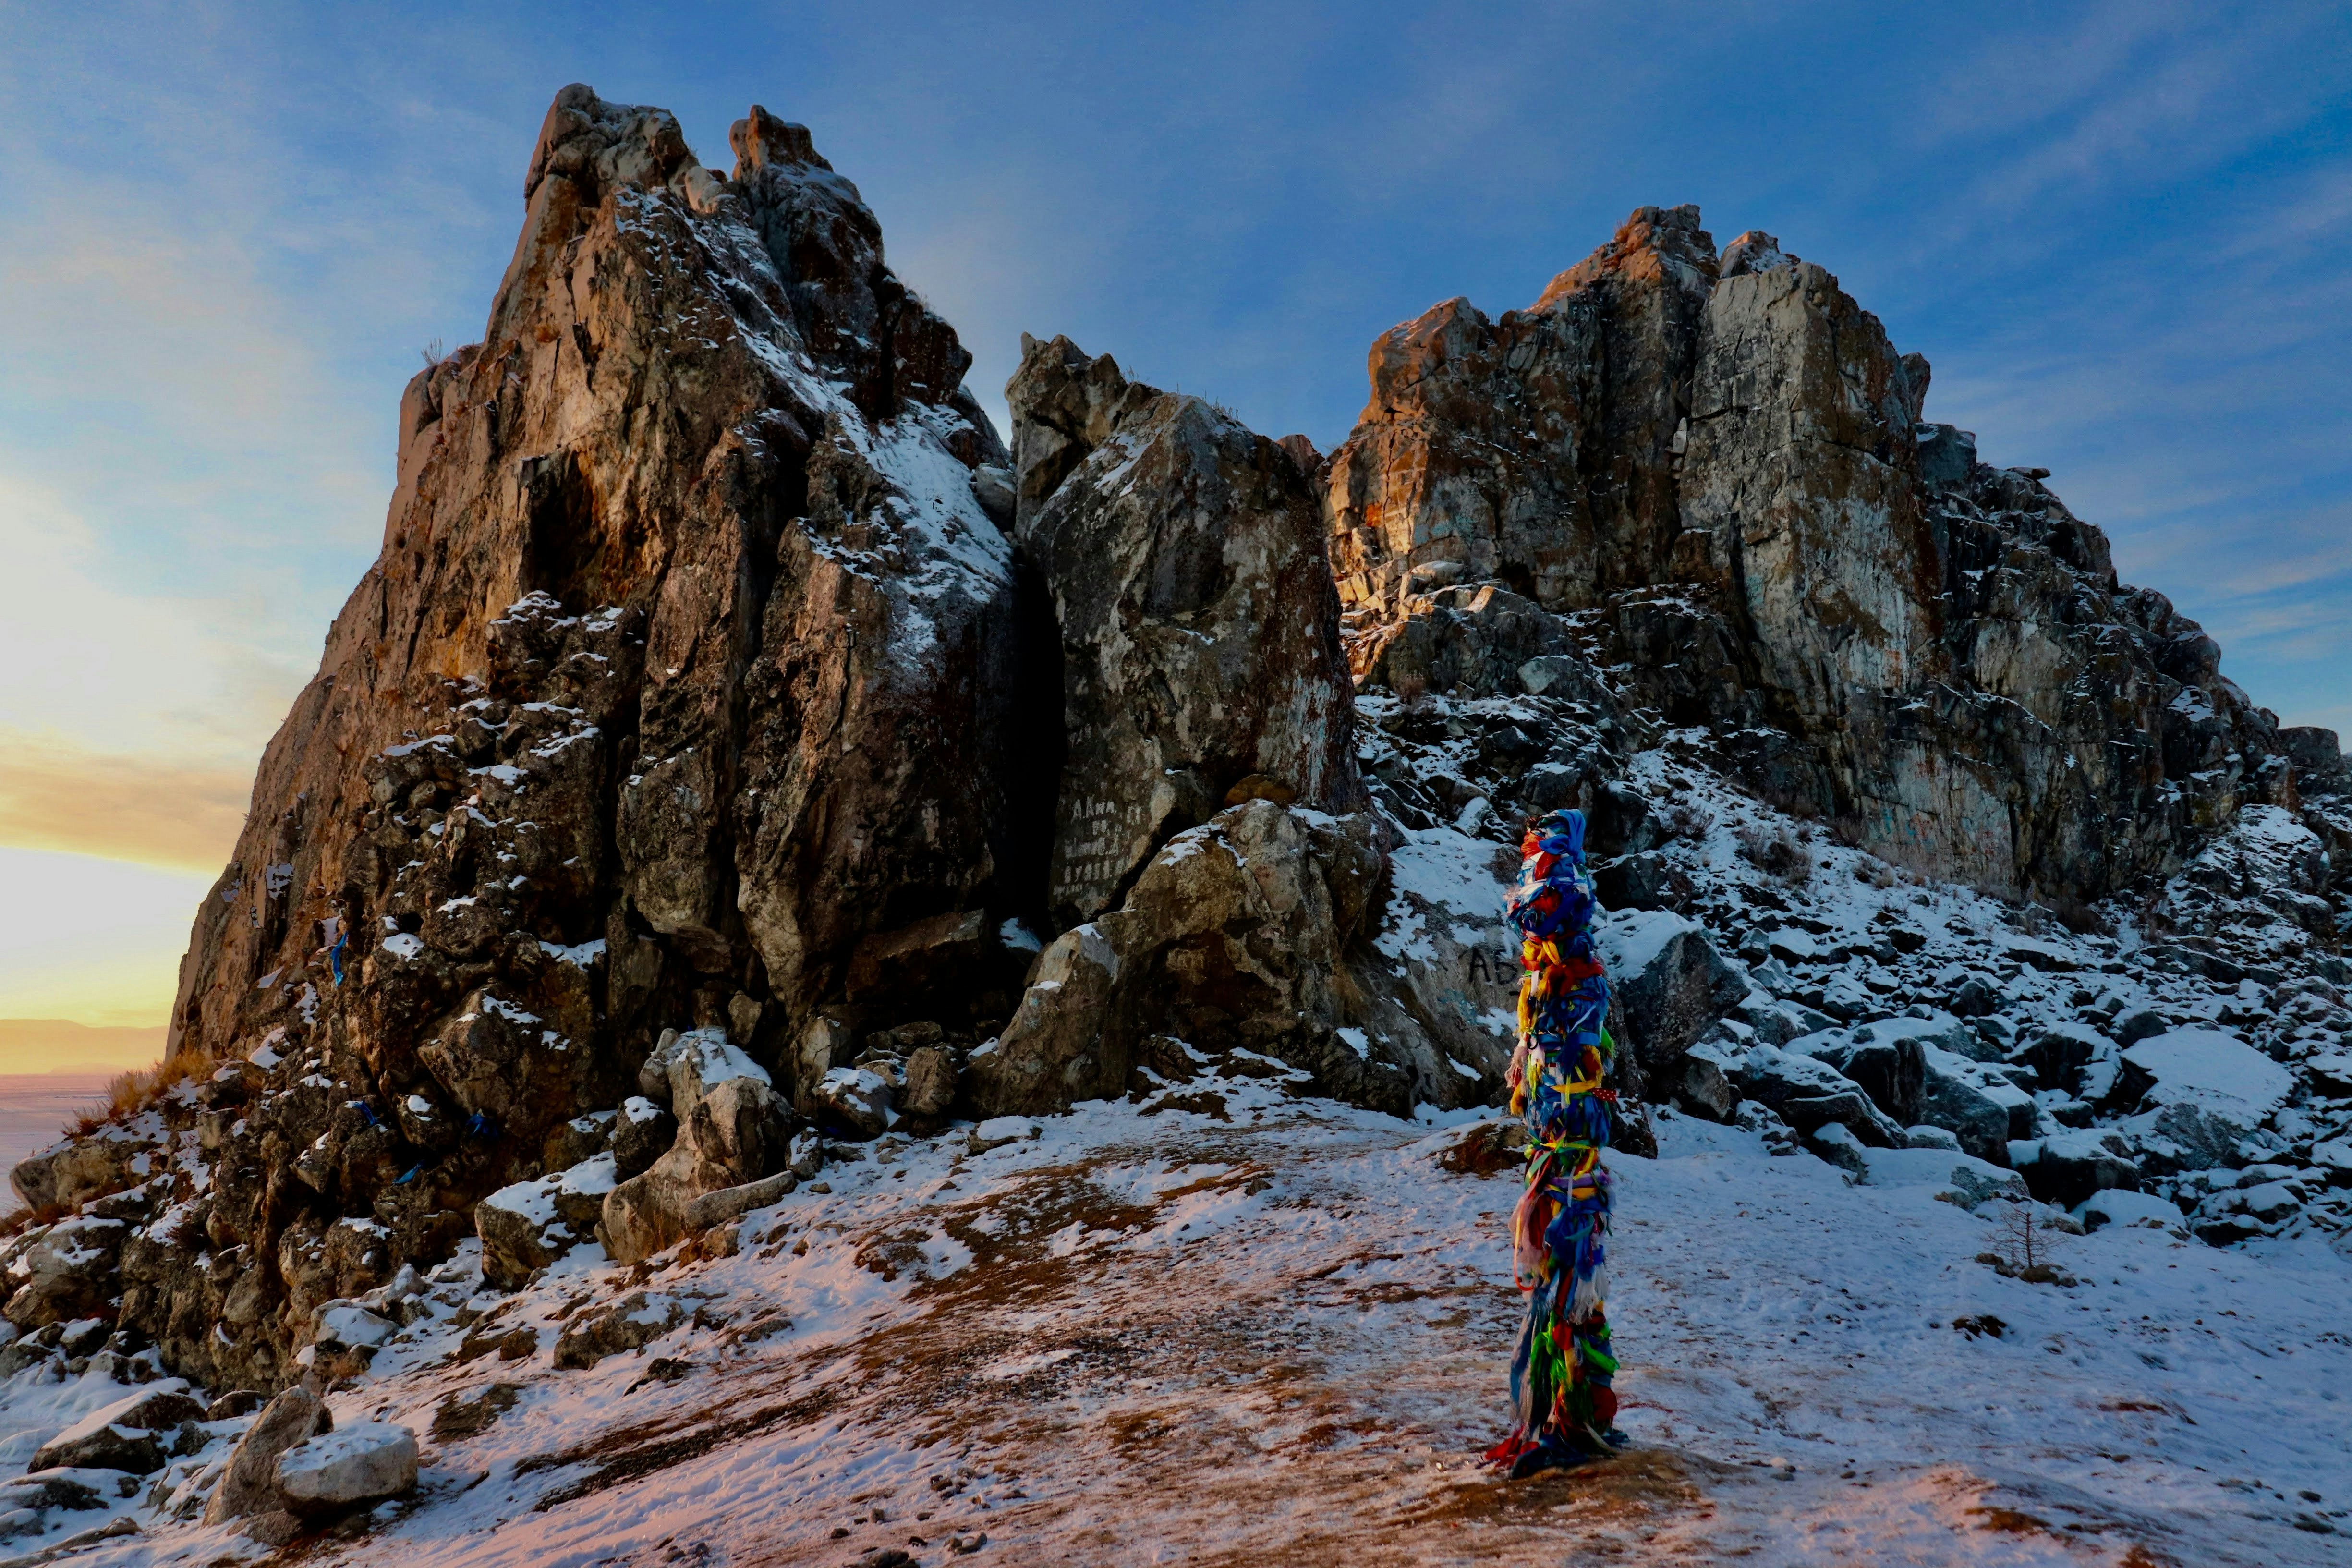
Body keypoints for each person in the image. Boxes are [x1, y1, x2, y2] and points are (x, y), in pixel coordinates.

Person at [1487, 807, 1625, 1479]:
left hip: (1570, 1158)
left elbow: (1587, 1070)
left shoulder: (1579, 979)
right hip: (1554, 1150)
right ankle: (1562, 1415)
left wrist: (1576, 1096)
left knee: (1568, 1287)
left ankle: (1572, 1420)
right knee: (1556, 1283)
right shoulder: (1547, 980)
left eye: (1537, 908)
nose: (1527, 922)